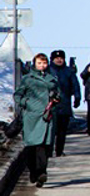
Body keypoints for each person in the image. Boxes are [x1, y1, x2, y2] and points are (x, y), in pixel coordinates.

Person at [14, 53, 60, 187]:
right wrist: (26, 102)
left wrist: (56, 99)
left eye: (44, 63)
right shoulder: (28, 79)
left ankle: (41, 173)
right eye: (39, 63)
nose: (42, 66)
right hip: (31, 117)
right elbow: (17, 95)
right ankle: (33, 172)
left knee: (44, 147)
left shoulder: (52, 79)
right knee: (31, 147)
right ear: (35, 64)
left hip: (47, 116)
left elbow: (58, 93)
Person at [49, 50, 81, 157]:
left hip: (64, 104)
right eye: (56, 58)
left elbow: (75, 85)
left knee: (62, 131)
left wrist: (77, 97)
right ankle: (48, 151)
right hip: (50, 106)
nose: (59, 60)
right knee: (51, 131)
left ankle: (59, 150)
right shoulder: (48, 71)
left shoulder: (68, 71)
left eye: (61, 58)